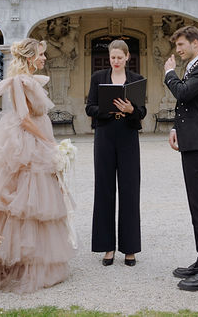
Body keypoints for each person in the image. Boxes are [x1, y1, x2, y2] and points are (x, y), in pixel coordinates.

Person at [0, 38, 74, 294]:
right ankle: (18, 264)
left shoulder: (33, 80)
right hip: (28, 143)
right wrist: (49, 142)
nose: (44, 59)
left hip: (38, 140)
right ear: (30, 57)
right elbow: (24, 119)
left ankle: (38, 257)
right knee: (23, 202)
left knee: (40, 202)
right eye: (41, 55)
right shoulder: (18, 81)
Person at [162, 25, 198, 292]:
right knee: (196, 204)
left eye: (181, 45)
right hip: (191, 139)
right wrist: (176, 128)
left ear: (195, 42)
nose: (178, 50)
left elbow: (183, 93)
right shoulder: (195, 65)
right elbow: (188, 105)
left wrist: (169, 74)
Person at [85, 39, 146, 267]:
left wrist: (131, 110)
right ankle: (107, 248)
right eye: (113, 57)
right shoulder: (98, 78)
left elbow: (142, 111)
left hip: (128, 136)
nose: (116, 61)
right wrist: (108, 109)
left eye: (120, 57)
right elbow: (89, 107)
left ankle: (129, 249)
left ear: (128, 57)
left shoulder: (137, 80)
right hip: (105, 136)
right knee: (104, 190)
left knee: (130, 191)